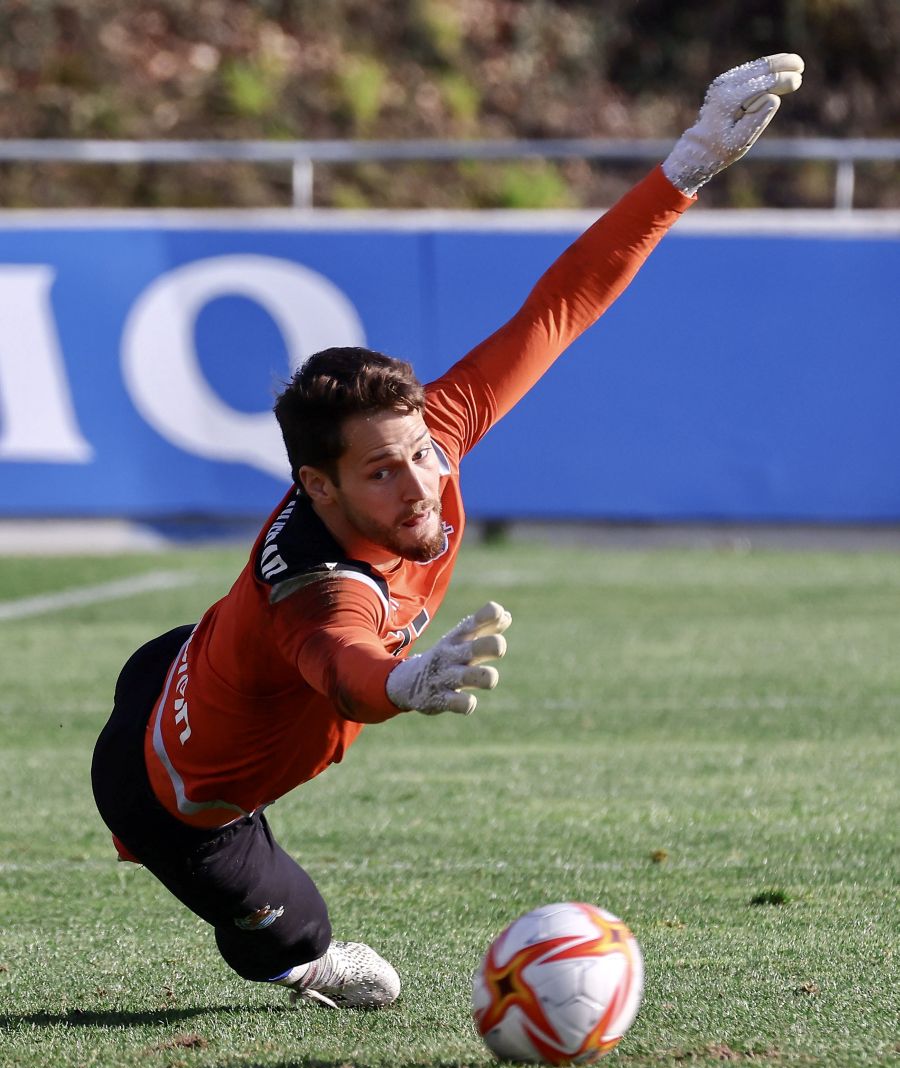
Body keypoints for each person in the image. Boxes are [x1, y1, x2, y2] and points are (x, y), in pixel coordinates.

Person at [92, 55, 804, 1009]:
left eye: (421, 450)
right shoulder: (314, 583)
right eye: (382, 473)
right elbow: (342, 659)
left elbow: (558, 310)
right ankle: (293, 955)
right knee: (291, 936)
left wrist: (683, 168)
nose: (421, 484)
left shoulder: (433, 434)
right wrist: (399, 684)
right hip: (190, 798)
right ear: (320, 485)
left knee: (192, 661)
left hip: (174, 668)